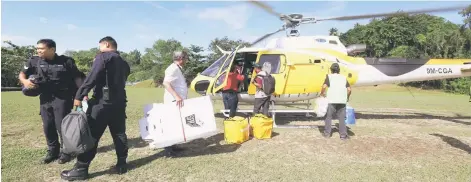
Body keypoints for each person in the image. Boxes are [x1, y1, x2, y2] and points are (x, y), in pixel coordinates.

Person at [61, 36, 131, 181]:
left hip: (101, 104)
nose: (99, 49)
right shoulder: (124, 63)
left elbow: (91, 78)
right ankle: (122, 164)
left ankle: (81, 168)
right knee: (119, 134)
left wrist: (79, 95)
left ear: (106, 44)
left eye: (99, 46)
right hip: (119, 103)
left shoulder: (103, 57)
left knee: (91, 135)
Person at [18, 39, 84, 164]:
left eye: (41, 49)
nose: (38, 51)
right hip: (45, 97)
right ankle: (53, 151)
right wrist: (25, 81)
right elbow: (22, 74)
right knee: (48, 126)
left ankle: (66, 152)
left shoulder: (66, 61)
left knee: (62, 126)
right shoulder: (34, 60)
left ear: (52, 49)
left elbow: (77, 78)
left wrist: (80, 96)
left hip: (62, 98)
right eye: (37, 48)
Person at [161, 50, 190, 156]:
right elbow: (166, 83)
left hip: (176, 101)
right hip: (173, 101)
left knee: (175, 124)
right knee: (171, 124)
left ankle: (173, 145)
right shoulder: (172, 68)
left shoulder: (177, 68)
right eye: (185, 58)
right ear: (181, 58)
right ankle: (168, 149)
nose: (186, 60)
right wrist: (177, 96)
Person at [320, 63, 352, 140]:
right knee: (341, 118)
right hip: (342, 101)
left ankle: (327, 133)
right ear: (339, 70)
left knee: (328, 117)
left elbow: (324, 86)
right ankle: (343, 135)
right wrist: (347, 97)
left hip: (331, 100)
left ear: (331, 70)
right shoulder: (343, 77)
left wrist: (322, 93)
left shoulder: (329, 77)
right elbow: (349, 89)